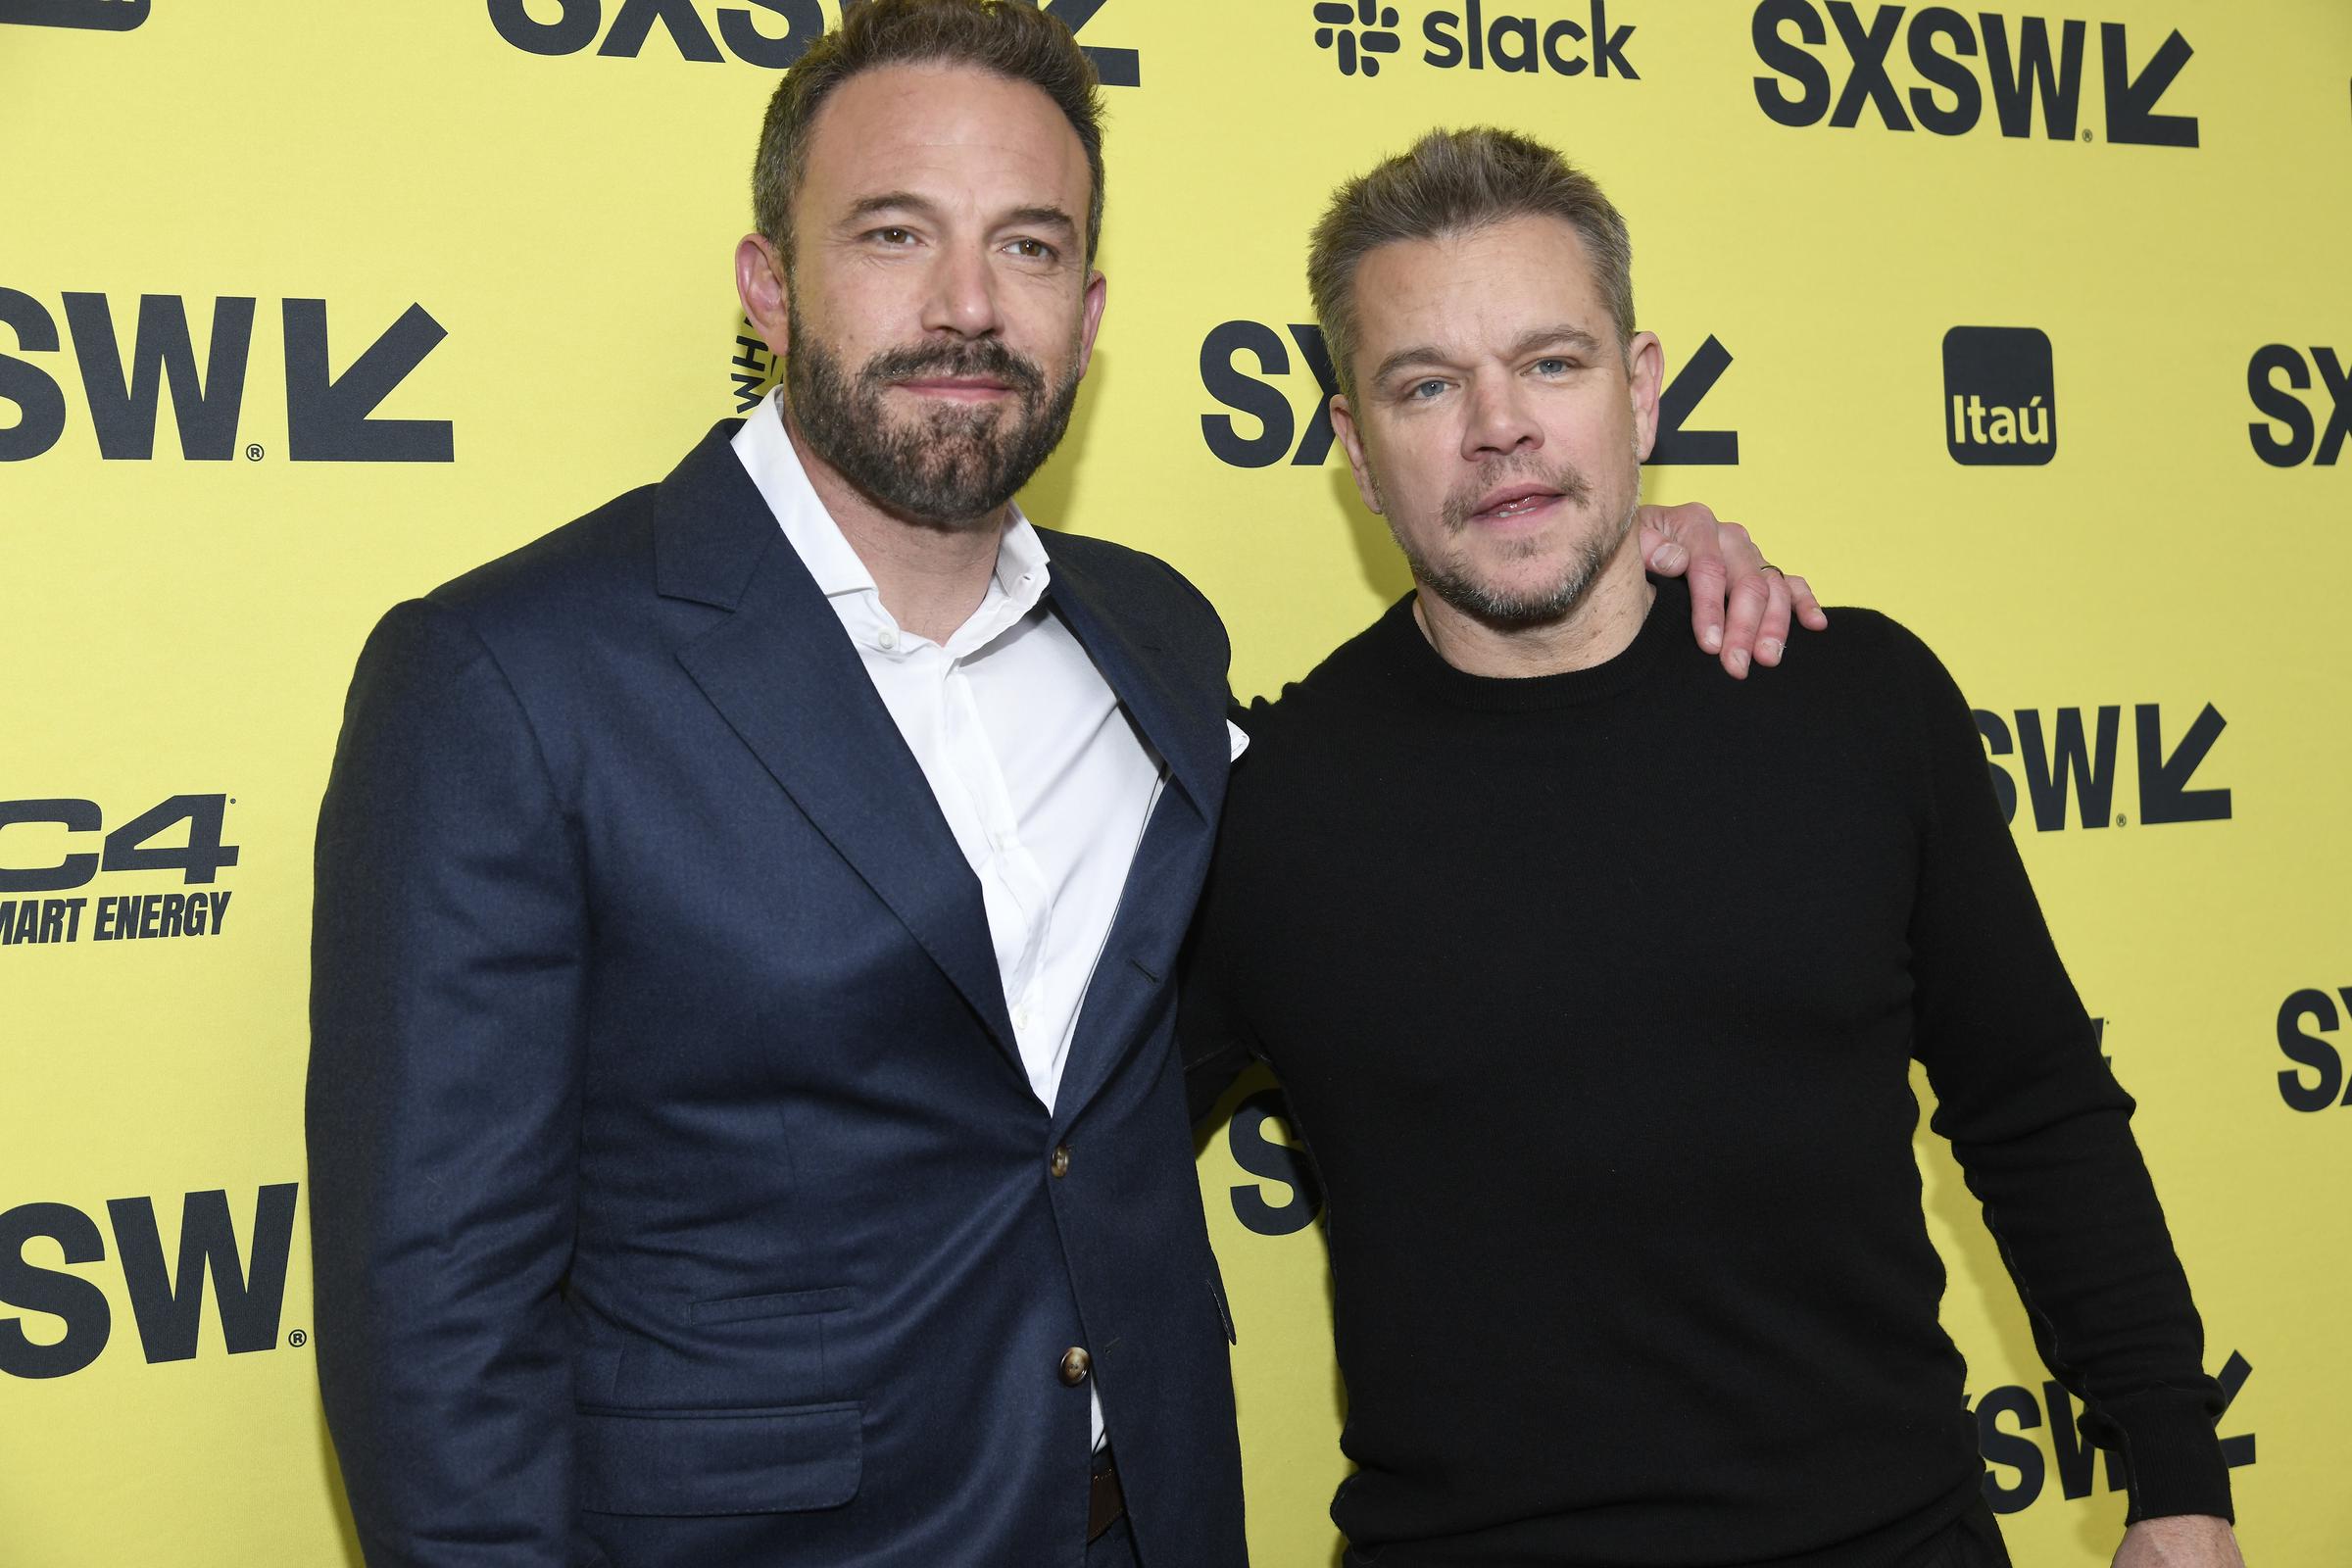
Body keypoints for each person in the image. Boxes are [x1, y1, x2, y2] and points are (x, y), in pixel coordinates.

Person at [305, 6, 1805, 1566]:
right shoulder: (508, 676)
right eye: (897, 234)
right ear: (769, 283)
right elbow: (434, 1319)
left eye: (1028, 248)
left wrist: (1630, 571)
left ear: (1087, 314)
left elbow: (1403, 823)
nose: (967, 306)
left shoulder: (1151, 633)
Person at [1179, 127, 2245, 1568]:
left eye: (1551, 364)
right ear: (1357, 451)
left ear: (1642, 390)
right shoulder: (1269, 811)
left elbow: (2036, 1108)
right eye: (1427, 385)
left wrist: (2178, 1488)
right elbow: (1051, 1180)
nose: (1499, 426)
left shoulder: (1861, 704)